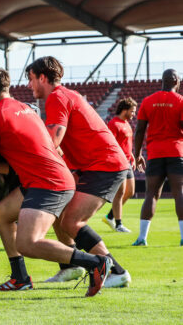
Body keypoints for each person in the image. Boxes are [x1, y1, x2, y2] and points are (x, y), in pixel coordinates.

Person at [0, 67, 112, 297]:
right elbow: (30, 152)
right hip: (51, 177)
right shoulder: (27, 109)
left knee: (28, 243)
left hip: (47, 182)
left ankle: (96, 262)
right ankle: (20, 278)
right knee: (2, 214)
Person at [25, 56, 131, 289]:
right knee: (59, 211)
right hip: (95, 165)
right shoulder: (65, 95)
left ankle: (116, 270)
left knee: (72, 221)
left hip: (104, 165)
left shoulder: (57, 97)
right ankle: (71, 266)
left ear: (43, 78)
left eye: (31, 79)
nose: (29, 85)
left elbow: (54, 139)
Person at [132, 69, 183, 246]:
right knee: (180, 193)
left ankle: (142, 238)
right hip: (176, 152)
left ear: (162, 81)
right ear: (176, 81)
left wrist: (137, 155)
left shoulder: (148, 101)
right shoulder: (180, 101)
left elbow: (139, 131)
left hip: (154, 153)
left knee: (151, 194)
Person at [102, 97, 138, 233]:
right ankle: (118, 224)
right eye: (132, 111)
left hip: (127, 161)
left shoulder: (126, 123)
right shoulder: (113, 124)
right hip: (118, 162)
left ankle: (110, 216)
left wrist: (133, 156)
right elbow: (110, 144)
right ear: (125, 110)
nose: (134, 114)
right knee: (120, 193)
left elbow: (125, 143)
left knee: (130, 192)